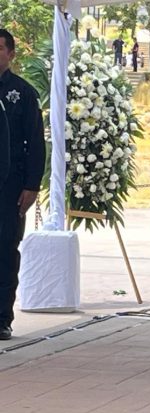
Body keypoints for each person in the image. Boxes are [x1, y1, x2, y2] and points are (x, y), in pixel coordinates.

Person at [0, 29, 45, 340]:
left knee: (5, 249)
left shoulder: (23, 93)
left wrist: (31, 185)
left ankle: (2, 317)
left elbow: (36, 144)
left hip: (10, 185)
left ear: (11, 54)